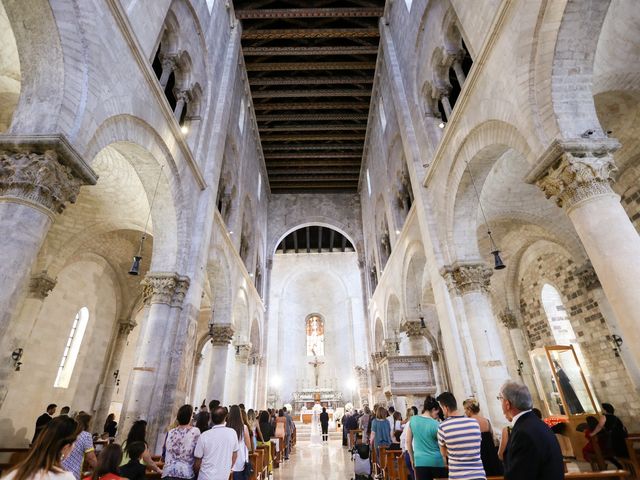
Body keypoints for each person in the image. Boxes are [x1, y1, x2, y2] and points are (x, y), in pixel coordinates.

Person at [499, 380, 563, 480]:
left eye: (500, 399)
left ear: (507, 404)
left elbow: (519, 475)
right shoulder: (538, 424)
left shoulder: (523, 433)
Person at [5, 416, 78, 480]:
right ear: (66, 447)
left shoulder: (15, 473)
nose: (74, 447)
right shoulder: (65, 477)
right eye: (75, 442)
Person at [436, 392, 486, 480]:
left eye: (441, 408)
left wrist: (456, 453)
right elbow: (476, 446)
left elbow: (443, 453)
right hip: (478, 475)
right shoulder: (474, 423)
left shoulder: (443, 427)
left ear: (446, 408)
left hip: (458, 476)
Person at [406, 396, 446, 480]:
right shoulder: (436, 424)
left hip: (420, 461)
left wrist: (412, 458)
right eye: (436, 413)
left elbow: (408, 442)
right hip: (436, 461)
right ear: (433, 409)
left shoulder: (413, 420)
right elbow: (442, 444)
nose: (436, 416)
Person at [194, 406, 240, 480]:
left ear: (211, 418)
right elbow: (235, 455)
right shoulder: (232, 433)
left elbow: (197, 462)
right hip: (223, 476)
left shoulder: (204, 435)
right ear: (225, 418)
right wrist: (227, 468)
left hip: (205, 476)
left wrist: (198, 473)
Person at [463, 398, 503, 476]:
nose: (464, 412)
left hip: (478, 455)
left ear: (469, 409)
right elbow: (492, 436)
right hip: (490, 454)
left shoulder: (468, 422)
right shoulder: (486, 421)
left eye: (465, 409)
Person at [162, 404, 201, 480]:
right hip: (186, 473)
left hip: (168, 472)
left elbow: (165, 450)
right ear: (190, 417)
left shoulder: (170, 432)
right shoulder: (195, 431)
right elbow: (198, 453)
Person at [62, 413, 98, 480]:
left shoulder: (70, 431)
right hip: (73, 472)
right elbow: (90, 458)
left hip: (60, 468)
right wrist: (100, 469)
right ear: (87, 424)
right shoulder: (86, 436)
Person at [228, 405, 252, 480]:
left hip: (228, 459)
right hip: (240, 459)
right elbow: (249, 446)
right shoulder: (243, 427)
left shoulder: (226, 426)